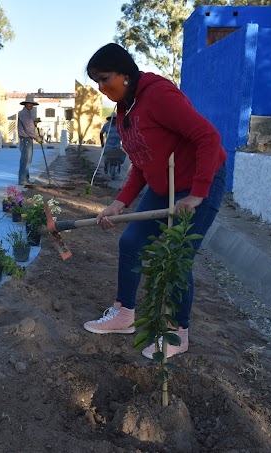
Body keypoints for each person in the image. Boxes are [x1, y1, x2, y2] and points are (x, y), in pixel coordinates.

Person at [82, 43, 227, 359]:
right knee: (131, 242)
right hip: (164, 186)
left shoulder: (158, 95)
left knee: (177, 255)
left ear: (125, 73)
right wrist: (119, 203)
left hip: (201, 180)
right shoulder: (125, 110)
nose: (101, 87)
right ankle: (124, 314)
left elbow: (209, 138)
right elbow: (142, 163)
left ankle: (178, 332)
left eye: (105, 78)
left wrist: (197, 194)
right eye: (96, 81)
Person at [17, 94, 42, 186]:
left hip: (28, 139)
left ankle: (25, 179)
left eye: (32, 104)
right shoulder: (23, 113)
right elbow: (28, 128)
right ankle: (22, 180)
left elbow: (30, 125)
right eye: (29, 104)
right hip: (25, 139)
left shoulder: (28, 113)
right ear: (25, 104)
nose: (30, 105)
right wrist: (37, 137)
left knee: (28, 160)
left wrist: (34, 122)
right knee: (25, 160)